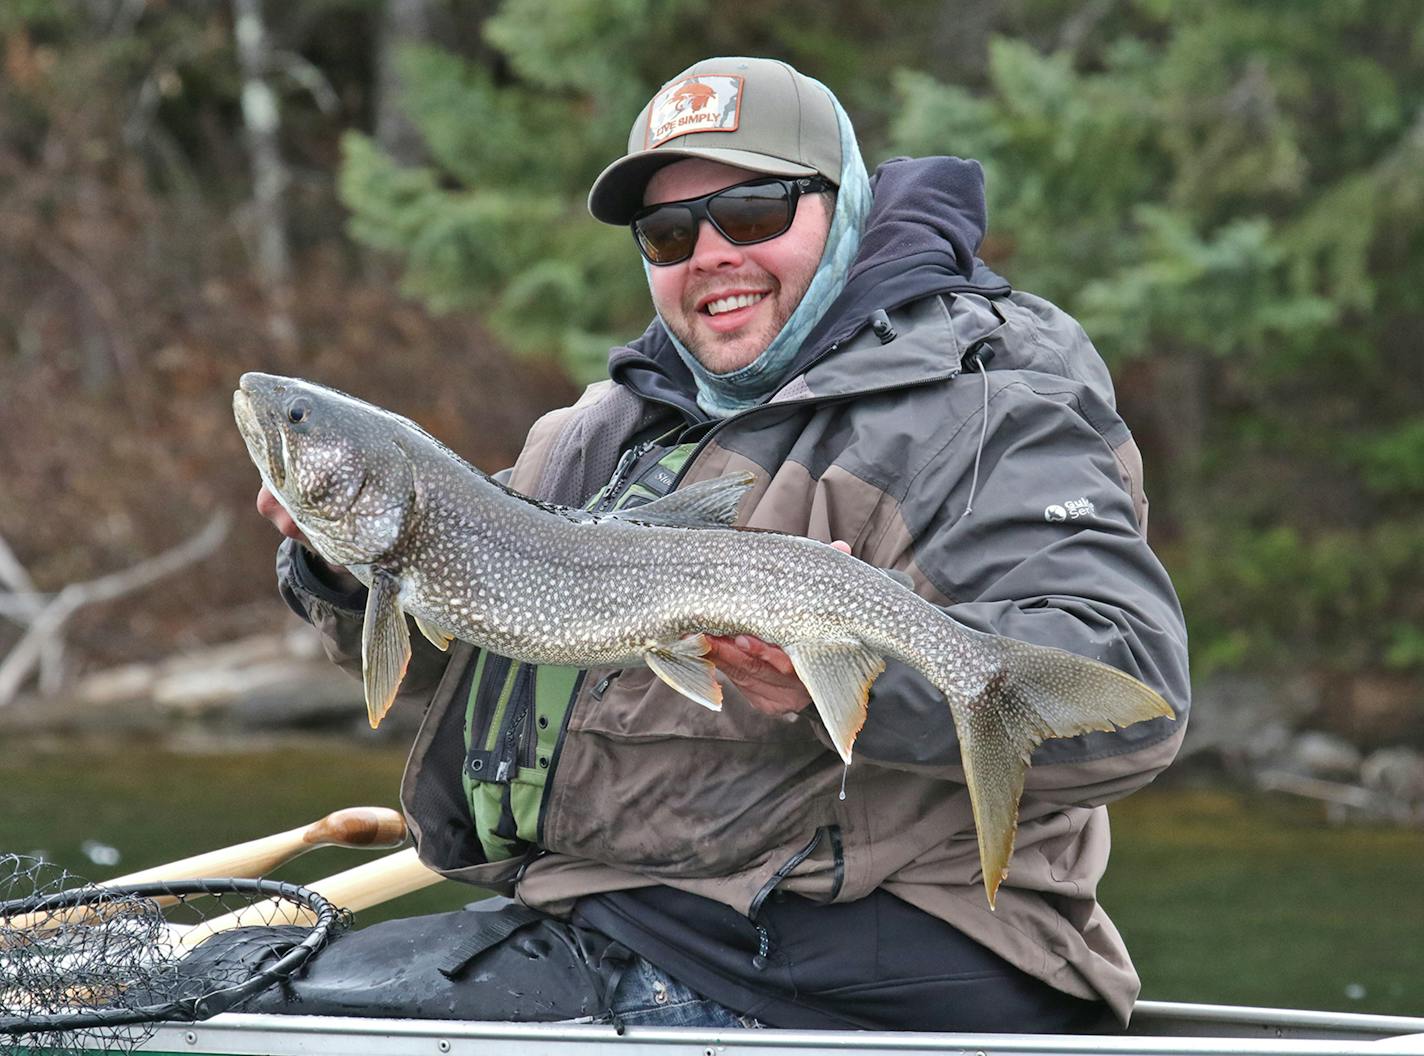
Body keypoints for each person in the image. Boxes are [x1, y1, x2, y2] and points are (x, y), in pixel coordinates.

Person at [258, 56, 1189, 1033]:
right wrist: (337, 559)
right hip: (602, 919)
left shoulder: (985, 410)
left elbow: (1133, 695)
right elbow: (455, 640)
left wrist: (851, 686)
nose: (707, 253)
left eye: (750, 214)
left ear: (846, 209)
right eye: (666, 233)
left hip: (877, 953)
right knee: (254, 975)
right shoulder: (603, 432)